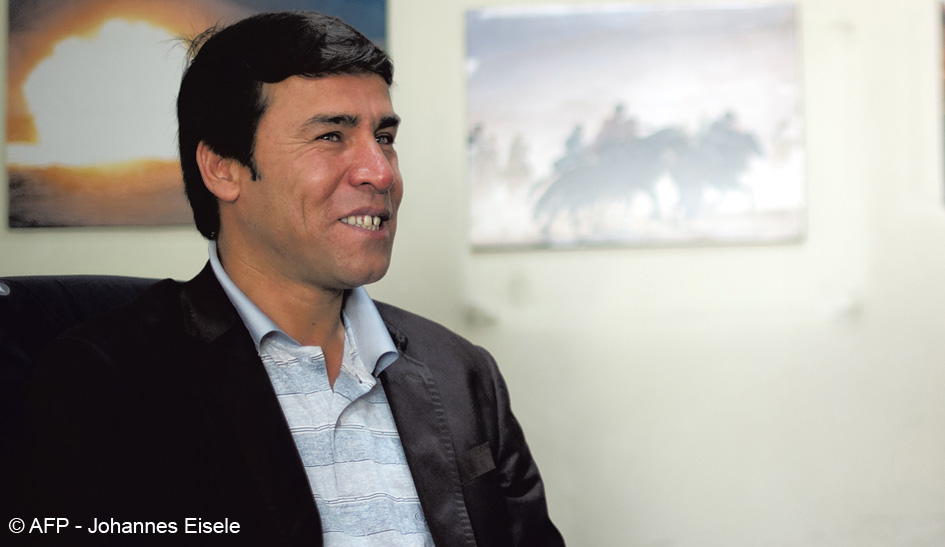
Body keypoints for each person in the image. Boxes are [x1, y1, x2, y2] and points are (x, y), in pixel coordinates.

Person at [24, 11, 564, 547]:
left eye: (384, 137)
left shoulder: (462, 373)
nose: (381, 172)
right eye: (331, 135)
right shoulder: (103, 380)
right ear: (223, 168)